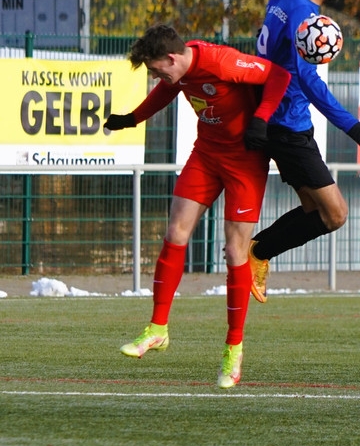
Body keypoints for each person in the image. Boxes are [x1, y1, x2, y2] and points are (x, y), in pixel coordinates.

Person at [105, 24, 290, 388]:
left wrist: (260, 120)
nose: (155, 76)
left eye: (157, 69)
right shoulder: (178, 71)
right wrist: (131, 119)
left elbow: (279, 76)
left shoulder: (221, 61)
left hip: (244, 162)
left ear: (172, 58)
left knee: (234, 251)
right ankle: (157, 329)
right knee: (175, 232)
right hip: (206, 155)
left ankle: (233, 349)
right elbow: (166, 90)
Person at [247, 0, 360, 303]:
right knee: (335, 214)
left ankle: (256, 250)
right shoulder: (304, 14)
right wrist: (351, 125)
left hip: (283, 120)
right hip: (287, 125)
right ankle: (257, 251)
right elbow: (307, 79)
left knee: (313, 211)